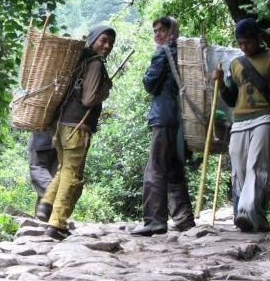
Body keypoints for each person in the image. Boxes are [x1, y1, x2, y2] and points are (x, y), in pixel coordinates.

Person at [213, 18, 270, 232]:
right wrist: (220, 85)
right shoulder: (235, 64)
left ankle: (244, 211)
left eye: (248, 43)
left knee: (257, 167)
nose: (244, 47)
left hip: (266, 119)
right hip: (240, 122)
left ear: (259, 39)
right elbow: (232, 99)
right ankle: (258, 218)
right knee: (239, 170)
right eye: (240, 43)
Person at [36, 24, 116, 240]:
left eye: (110, 42)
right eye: (103, 40)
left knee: (64, 169)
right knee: (73, 176)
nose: (107, 46)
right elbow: (89, 98)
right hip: (77, 127)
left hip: (61, 125)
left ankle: (46, 204)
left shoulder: (78, 60)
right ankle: (57, 224)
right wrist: (105, 90)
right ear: (92, 39)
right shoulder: (96, 63)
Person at [131, 16, 195, 236]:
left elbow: (149, 83)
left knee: (155, 168)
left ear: (171, 32)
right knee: (174, 168)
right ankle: (184, 219)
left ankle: (154, 220)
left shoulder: (163, 52)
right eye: (155, 31)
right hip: (182, 118)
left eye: (161, 30)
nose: (157, 34)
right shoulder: (185, 53)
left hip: (164, 117)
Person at [28, 130, 58, 213]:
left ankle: (52, 194)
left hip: (43, 135)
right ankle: (44, 214)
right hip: (65, 138)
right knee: (55, 176)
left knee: (38, 168)